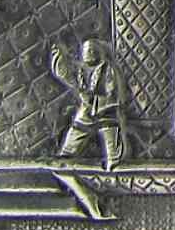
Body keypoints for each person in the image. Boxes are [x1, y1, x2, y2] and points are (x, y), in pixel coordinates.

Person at [49, 39, 126, 170]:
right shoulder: (81, 69)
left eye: (90, 50)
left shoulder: (108, 69)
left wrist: (94, 97)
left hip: (105, 108)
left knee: (110, 133)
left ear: (97, 52)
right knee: (77, 129)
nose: (86, 53)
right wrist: (58, 58)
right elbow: (65, 74)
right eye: (85, 51)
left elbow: (111, 90)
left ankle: (114, 162)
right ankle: (66, 157)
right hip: (88, 109)